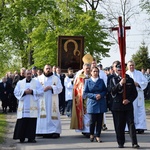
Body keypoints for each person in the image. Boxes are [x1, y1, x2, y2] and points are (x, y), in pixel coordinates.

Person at [108, 64, 140, 148]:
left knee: (131, 124)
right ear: (116, 70)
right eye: (119, 70)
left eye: (122, 70)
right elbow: (112, 91)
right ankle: (121, 142)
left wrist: (129, 100)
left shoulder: (129, 79)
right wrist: (120, 84)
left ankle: (134, 142)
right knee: (119, 126)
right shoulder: (112, 79)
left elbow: (134, 93)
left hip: (128, 106)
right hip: (117, 106)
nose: (120, 72)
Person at [13, 69, 44, 143]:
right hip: (23, 107)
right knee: (22, 122)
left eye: (30, 73)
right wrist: (24, 92)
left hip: (32, 106)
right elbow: (16, 92)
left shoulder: (36, 82)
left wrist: (32, 91)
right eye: (27, 74)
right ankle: (21, 137)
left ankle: (31, 138)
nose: (29, 75)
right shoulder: (20, 83)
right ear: (25, 74)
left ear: (32, 74)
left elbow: (41, 92)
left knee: (31, 122)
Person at [36, 64, 63, 138]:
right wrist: (42, 89)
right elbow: (35, 88)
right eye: (46, 68)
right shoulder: (38, 79)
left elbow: (60, 88)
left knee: (53, 114)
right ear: (44, 70)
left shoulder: (56, 79)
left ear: (51, 69)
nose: (48, 70)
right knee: (42, 114)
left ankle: (54, 131)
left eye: (49, 68)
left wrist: (51, 87)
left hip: (52, 100)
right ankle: (41, 131)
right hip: (42, 100)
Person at [70, 54, 93, 136]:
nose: (88, 70)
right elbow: (76, 86)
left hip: (91, 97)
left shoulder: (93, 75)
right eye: (86, 68)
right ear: (83, 68)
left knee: (91, 113)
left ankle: (91, 129)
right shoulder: (80, 76)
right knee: (84, 113)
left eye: (89, 68)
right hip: (82, 97)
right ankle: (86, 130)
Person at [83, 67, 107, 143]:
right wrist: (94, 96)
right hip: (92, 103)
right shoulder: (88, 81)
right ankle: (91, 134)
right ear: (91, 72)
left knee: (100, 121)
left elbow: (105, 90)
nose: (95, 73)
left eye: (97, 71)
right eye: (94, 71)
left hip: (100, 102)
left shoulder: (101, 81)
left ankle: (98, 135)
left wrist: (101, 95)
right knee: (92, 121)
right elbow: (86, 92)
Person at [126, 60, 148, 134]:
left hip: (139, 95)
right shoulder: (126, 74)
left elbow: (145, 82)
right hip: (131, 96)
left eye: (132, 65)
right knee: (132, 111)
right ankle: (131, 127)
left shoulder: (139, 73)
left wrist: (138, 84)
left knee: (140, 111)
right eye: (130, 65)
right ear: (127, 66)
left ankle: (140, 127)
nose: (131, 66)